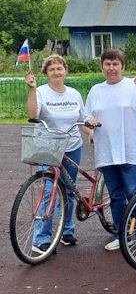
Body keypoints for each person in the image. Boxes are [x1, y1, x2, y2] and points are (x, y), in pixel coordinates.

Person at [85, 49, 136, 251]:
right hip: (106, 150)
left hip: (130, 149)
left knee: (133, 192)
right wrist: (90, 123)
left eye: (115, 64)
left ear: (122, 67)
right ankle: (122, 234)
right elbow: (87, 116)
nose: (111, 68)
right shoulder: (96, 91)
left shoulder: (134, 87)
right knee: (115, 195)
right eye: (107, 64)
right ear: (102, 67)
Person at [24, 55, 88, 251]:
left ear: (65, 71)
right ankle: (41, 238)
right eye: (52, 69)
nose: (56, 72)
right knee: (49, 191)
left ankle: (66, 230)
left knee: (68, 190)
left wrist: (91, 131)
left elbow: (82, 119)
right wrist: (32, 89)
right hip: (48, 146)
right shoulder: (41, 92)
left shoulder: (74, 94)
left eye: (59, 68)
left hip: (72, 145)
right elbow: (32, 114)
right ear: (46, 73)